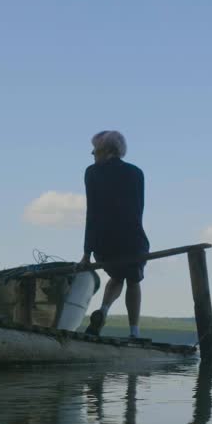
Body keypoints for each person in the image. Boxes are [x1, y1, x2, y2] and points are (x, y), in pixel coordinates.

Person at [79, 130, 149, 338]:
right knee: (133, 280)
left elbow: (92, 212)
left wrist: (86, 253)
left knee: (117, 275)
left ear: (107, 150)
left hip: (104, 243)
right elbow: (138, 209)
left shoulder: (92, 173)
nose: (92, 153)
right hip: (131, 239)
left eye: (95, 150)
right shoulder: (136, 173)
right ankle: (134, 332)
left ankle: (103, 310)